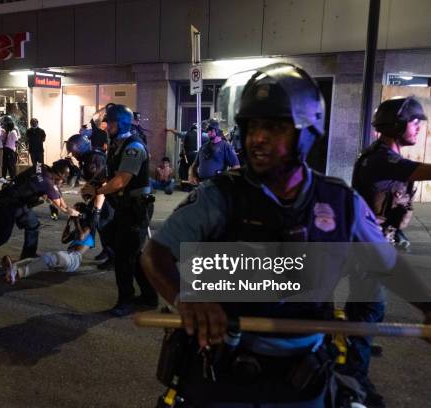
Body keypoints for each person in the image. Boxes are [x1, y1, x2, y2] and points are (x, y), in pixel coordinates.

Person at [140, 63, 431, 406]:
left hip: (303, 374)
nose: (258, 138)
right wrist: (187, 297)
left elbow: (387, 264)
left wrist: (428, 307)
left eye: (275, 127)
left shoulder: (340, 202)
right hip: (222, 369)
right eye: (254, 126)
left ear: (306, 134)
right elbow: (156, 254)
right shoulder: (219, 196)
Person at [348, 96, 429, 406]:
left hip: (378, 246)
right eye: (415, 122)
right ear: (395, 126)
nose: (420, 128)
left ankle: (359, 347)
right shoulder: (380, 159)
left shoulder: (388, 158)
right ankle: (354, 384)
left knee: (369, 310)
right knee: (367, 310)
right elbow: (417, 172)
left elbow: (396, 201)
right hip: (365, 251)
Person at [81, 103, 157, 317]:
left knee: (125, 257)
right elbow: (108, 171)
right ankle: (150, 296)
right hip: (124, 207)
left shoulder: (134, 147)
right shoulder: (116, 144)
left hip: (137, 209)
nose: (107, 127)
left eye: (110, 123)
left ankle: (126, 300)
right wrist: (94, 183)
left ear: (121, 123)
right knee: (130, 252)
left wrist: (97, 190)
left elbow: (121, 181)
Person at [0, 160, 80, 262]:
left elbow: (55, 193)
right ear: (60, 176)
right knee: (1, 236)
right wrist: (75, 213)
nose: (62, 183)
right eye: (63, 180)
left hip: (15, 201)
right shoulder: (47, 182)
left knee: (33, 224)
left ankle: (28, 256)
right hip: (7, 203)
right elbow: (62, 207)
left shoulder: (42, 167)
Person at [0, 201, 95, 281]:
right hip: (68, 256)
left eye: (76, 211)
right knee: (30, 260)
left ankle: (17, 274)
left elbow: (81, 237)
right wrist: (69, 222)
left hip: (74, 259)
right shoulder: (77, 229)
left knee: (48, 258)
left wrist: (77, 221)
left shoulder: (88, 228)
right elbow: (64, 240)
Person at [65, 133, 114, 269]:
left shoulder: (94, 159)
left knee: (104, 225)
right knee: (99, 225)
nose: (73, 154)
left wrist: (97, 209)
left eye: (74, 151)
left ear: (80, 148)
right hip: (99, 195)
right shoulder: (89, 158)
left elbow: (102, 184)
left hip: (107, 197)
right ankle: (107, 251)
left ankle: (113, 257)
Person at [2, 116, 20, 181]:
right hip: (10, 149)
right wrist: (16, 150)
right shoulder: (13, 132)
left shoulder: (9, 132)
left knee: (6, 163)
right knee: (11, 163)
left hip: (6, 149)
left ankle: (4, 176)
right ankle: (13, 176)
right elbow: (16, 141)